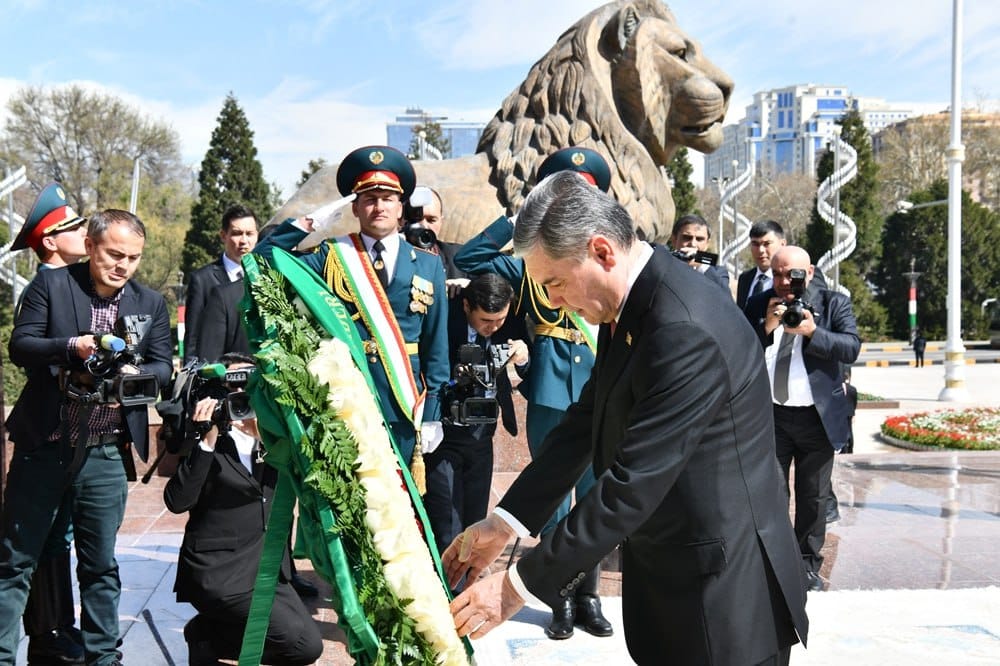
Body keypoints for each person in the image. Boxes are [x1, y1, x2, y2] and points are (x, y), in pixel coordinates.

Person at [444, 171, 808, 666]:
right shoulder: (633, 302)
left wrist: (515, 587)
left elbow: (632, 483)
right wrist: (504, 523)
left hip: (723, 600)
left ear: (601, 251)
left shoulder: (682, 327)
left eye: (554, 283)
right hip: (675, 576)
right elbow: (584, 422)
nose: (553, 301)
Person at [452, 146, 613, 641]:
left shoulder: (607, 254)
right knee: (554, 498)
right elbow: (470, 259)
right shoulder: (528, 264)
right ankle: (558, 595)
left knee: (594, 495)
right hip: (551, 386)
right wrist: (518, 217)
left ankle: (588, 595)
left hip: (599, 380)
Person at [0, 209, 173, 666]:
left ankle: (103, 658)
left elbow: (163, 365)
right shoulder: (52, 286)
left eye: (133, 258)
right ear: (91, 246)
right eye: (114, 254)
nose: (123, 266)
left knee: (100, 566)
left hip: (105, 452)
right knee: (16, 561)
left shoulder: (150, 302)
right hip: (45, 446)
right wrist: (72, 346)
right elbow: (21, 346)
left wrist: (134, 376)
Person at [254, 145, 448, 468]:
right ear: (354, 208)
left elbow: (436, 349)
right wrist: (307, 225)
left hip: (404, 402)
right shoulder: (331, 255)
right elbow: (261, 261)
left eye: (387, 199)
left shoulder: (428, 265)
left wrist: (433, 414)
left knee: (403, 497)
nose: (379, 207)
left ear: (400, 207)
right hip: (348, 399)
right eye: (369, 199)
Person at [164, 353, 324, 666]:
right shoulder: (205, 436)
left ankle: (206, 633)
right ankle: (209, 632)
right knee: (294, 640)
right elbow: (177, 501)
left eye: (249, 387)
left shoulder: (274, 436)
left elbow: (308, 478)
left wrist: (264, 435)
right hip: (220, 572)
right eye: (232, 388)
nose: (241, 396)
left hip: (266, 569)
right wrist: (206, 440)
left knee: (308, 646)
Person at [743, 245, 861, 593]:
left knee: (813, 497)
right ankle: (777, 563)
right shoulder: (760, 302)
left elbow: (851, 347)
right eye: (777, 274)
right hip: (772, 416)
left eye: (792, 274)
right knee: (772, 495)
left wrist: (812, 332)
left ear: (809, 272)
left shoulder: (833, 303)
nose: (783, 281)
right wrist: (765, 326)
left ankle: (808, 566)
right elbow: (737, 350)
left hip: (817, 418)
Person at [7, 182, 89, 663]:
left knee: (60, 534)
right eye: (74, 227)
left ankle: (57, 628)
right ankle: (44, 630)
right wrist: (72, 349)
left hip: (75, 430)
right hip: (46, 429)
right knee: (32, 539)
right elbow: (23, 348)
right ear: (51, 241)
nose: (83, 232)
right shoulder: (42, 288)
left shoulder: (76, 284)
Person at [423, 273, 529, 558]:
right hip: (445, 432)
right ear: (467, 306)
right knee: (447, 522)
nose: (492, 327)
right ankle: (447, 580)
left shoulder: (510, 323)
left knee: (475, 521)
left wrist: (523, 356)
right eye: (485, 321)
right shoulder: (446, 321)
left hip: (483, 433)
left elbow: (529, 365)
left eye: (499, 320)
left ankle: (466, 575)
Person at [183, 204, 259, 363]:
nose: (244, 241)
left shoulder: (264, 277)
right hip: (218, 369)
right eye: (237, 234)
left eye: (249, 234)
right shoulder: (202, 280)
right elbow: (193, 338)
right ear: (223, 235)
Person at [668, 213, 730, 291]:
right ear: (674, 240)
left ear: (707, 244)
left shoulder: (718, 273)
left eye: (699, 239)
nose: (693, 244)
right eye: (687, 237)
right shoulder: (662, 264)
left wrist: (701, 265)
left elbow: (724, 295)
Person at [736, 220, 787, 309]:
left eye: (767, 244)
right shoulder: (745, 278)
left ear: (782, 244)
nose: (760, 250)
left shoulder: (789, 279)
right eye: (755, 244)